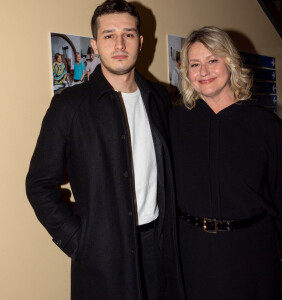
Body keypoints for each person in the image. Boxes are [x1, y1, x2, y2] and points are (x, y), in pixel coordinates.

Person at [26, 1, 185, 299]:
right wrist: (78, 241)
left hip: (158, 249)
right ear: (96, 45)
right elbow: (38, 185)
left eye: (128, 33)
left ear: (140, 42)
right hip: (103, 255)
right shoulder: (69, 105)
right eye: (109, 35)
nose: (120, 43)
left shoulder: (159, 98)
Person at [169, 26, 282, 300]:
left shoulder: (267, 126)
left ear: (230, 62)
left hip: (251, 254)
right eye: (195, 64)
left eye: (212, 60)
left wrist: (257, 236)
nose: (204, 72)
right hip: (192, 253)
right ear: (187, 72)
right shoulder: (174, 124)